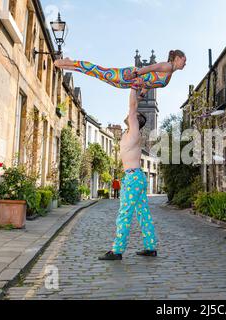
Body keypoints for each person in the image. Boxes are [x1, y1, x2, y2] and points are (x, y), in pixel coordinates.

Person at [99, 89, 157, 261]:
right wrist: (138, 97)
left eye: (133, 115)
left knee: (124, 214)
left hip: (132, 178)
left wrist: (133, 87)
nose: (130, 114)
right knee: (143, 213)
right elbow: (133, 107)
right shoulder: (132, 133)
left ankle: (117, 251)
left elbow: (131, 108)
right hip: (136, 177)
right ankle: (150, 247)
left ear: (136, 121)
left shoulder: (133, 131)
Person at [54, 50, 186, 98]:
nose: (185, 64)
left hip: (127, 83)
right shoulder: (168, 66)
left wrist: (141, 95)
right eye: (184, 61)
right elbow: (151, 68)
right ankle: (72, 62)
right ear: (178, 58)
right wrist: (135, 74)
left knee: (96, 74)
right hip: (129, 75)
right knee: (100, 71)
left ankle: (68, 65)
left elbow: (150, 83)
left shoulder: (169, 74)